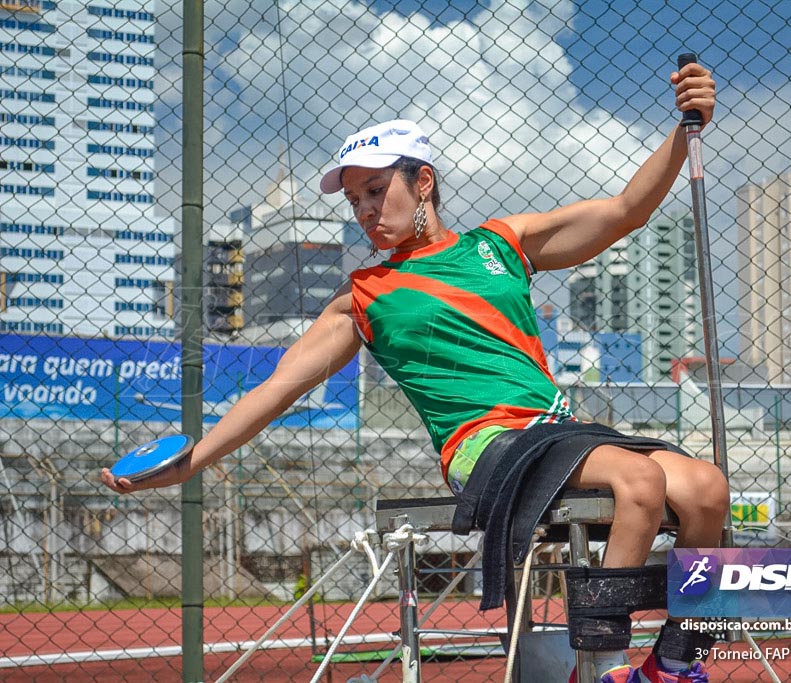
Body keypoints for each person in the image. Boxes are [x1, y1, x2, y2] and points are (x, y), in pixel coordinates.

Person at [101, 61, 728, 683]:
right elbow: (276, 388)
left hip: (557, 430)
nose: (366, 211)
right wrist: (195, 460)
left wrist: (684, 125)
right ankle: (601, 665)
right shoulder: (362, 297)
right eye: (355, 200)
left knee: (707, 489)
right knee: (640, 480)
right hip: (483, 443)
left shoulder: (499, 244)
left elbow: (625, 210)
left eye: (376, 190)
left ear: (422, 181)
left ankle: (676, 657)